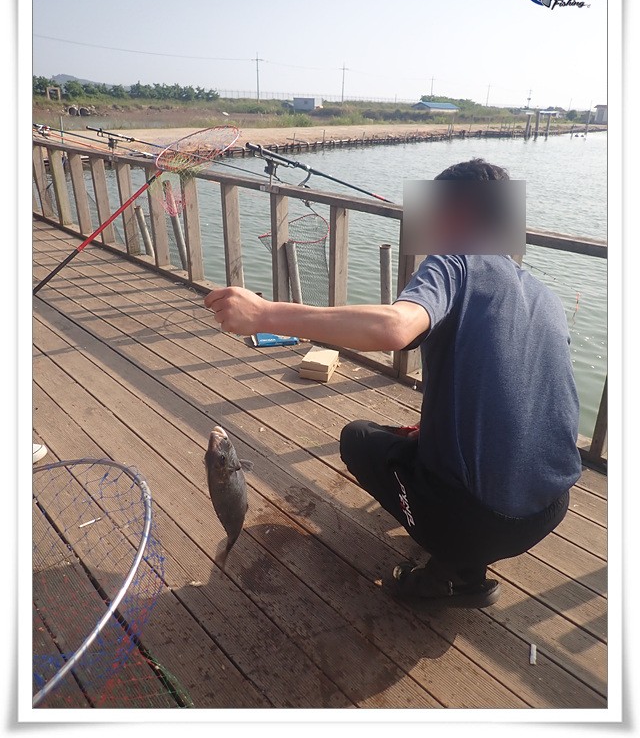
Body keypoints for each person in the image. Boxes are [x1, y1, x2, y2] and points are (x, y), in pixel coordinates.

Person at [204, 158, 583, 608]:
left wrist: (264, 314)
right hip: (551, 508)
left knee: (358, 439)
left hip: (473, 522)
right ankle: (464, 547)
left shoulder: (454, 263)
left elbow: (395, 328)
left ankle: (450, 576)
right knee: (415, 446)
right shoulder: (545, 295)